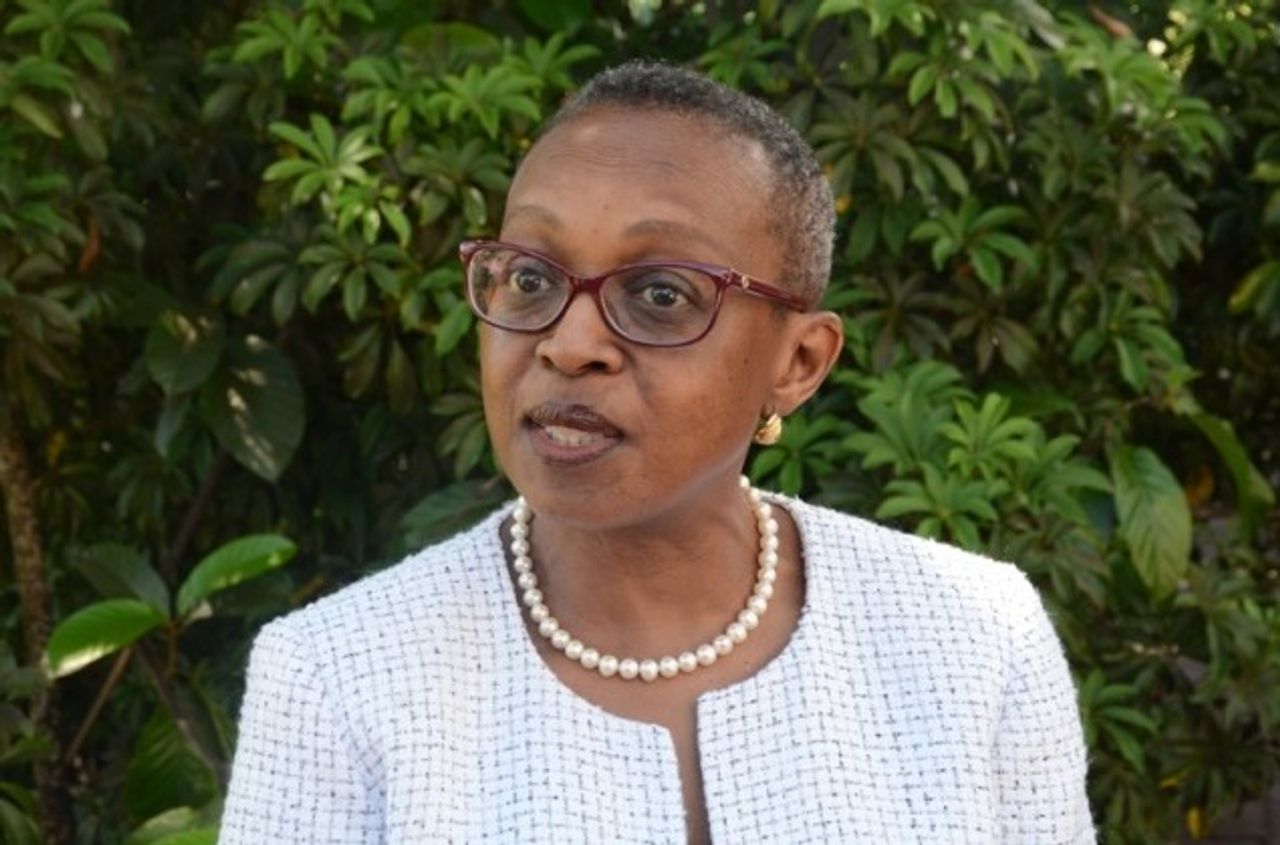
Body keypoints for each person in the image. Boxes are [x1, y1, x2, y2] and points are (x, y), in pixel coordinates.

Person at [218, 61, 1094, 844]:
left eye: (663, 293)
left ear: (798, 363)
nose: (569, 344)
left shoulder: (971, 638)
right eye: (530, 278)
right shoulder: (341, 678)